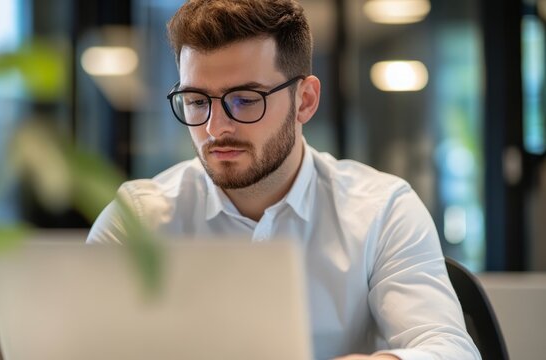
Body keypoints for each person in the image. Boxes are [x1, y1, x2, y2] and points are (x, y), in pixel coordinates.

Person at [88, 0, 481, 359]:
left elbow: (450, 349)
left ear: (305, 101)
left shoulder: (382, 209)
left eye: (245, 100)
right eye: (196, 101)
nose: (214, 127)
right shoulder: (136, 220)